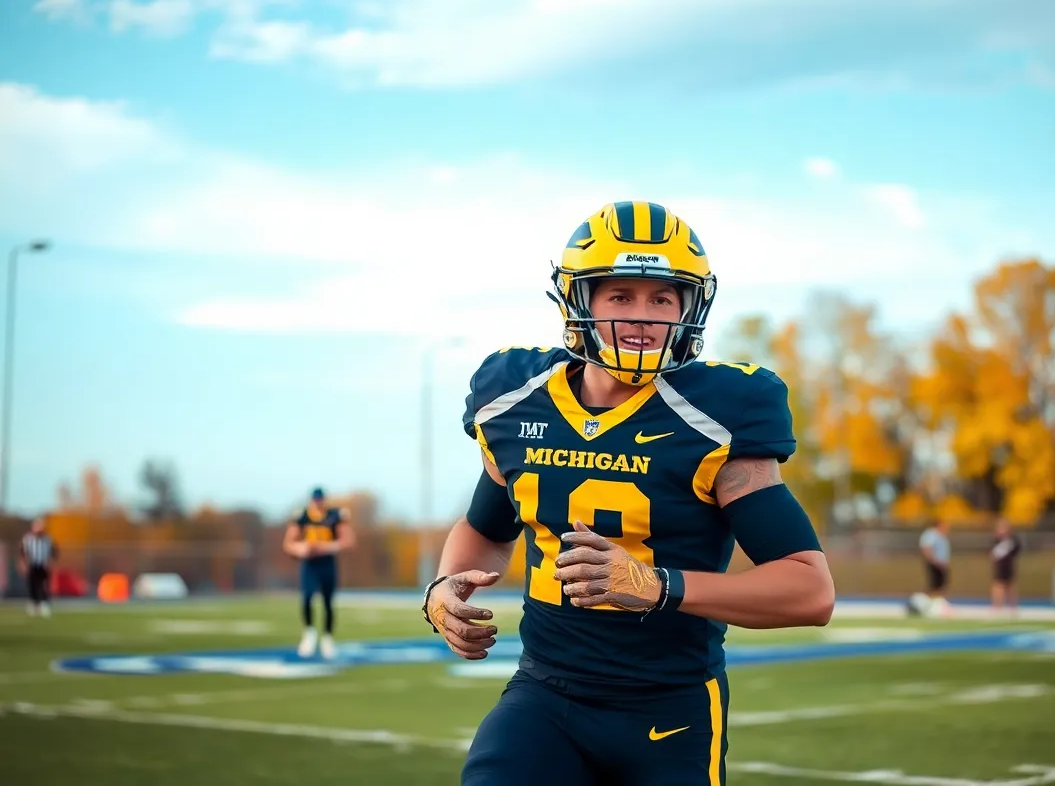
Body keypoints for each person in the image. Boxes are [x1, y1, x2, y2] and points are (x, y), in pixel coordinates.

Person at [424, 200, 835, 786]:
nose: (643, 317)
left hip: (670, 712)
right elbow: (485, 531)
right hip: (544, 696)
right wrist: (445, 586)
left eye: (662, 299)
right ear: (579, 301)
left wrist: (655, 584)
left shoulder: (715, 415)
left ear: (688, 308)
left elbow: (809, 589)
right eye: (620, 296)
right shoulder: (515, 400)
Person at [283, 487, 355, 659]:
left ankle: (327, 638)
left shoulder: (334, 516)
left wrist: (326, 547)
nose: (318, 503)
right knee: (307, 598)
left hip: (327, 562)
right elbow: (288, 543)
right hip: (309, 563)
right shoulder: (302, 516)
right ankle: (309, 634)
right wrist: (301, 549)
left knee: (328, 602)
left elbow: (348, 540)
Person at [19, 515, 57, 617]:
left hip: (44, 565)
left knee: (44, 585)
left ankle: (44, 604)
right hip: (31, 564)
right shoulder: (27, 539)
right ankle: (33, 603)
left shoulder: (48, 539)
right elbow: (23, 552)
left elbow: (54, 552)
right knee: (32, 584)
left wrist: (51, 562)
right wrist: (23, 564)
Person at [918, 517, 951, 615]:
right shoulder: (931, 534)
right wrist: (934, 560)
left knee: (942, 585)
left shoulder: (941, 535)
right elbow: (927, 548)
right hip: (935, 563)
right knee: (934, 585)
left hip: (942, 564)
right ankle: (927, 604)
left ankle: (941, 604)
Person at [990, 517, 1021, 614]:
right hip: (1000, 565)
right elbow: (993, 553)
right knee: (998, 585)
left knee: (1010, 585)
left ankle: (1013, 606)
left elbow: (1016, 550)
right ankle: (997, 605)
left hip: (1009, 565)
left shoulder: (1012, 540)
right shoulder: (997, 540)